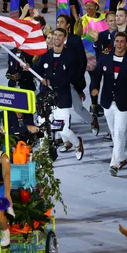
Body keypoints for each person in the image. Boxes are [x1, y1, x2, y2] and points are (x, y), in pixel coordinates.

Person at [91, 32, 127, 176]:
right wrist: (94, 88)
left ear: (126, 43)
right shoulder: (105, 57)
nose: (119, 44)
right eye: (117, 41)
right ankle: (122, 158)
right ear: (114, 42)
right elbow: (97, 74)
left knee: (119, 132)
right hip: (107, 101)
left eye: (122, 41)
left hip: (124, 103)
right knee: (114, 133)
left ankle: (115, 164)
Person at [32, 28, 84, 159]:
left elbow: (70, 77)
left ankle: (77, 144)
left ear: (64, 38)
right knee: (43, 124)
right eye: (55, 35)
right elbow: (37, 71)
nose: (57, 38)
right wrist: (29, 68)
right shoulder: (45, 55)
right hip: (45, 97)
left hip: (62, 96)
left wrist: (51, 81)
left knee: (63, 129)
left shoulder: (70, 56)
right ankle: (44, 152)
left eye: (60, 35)